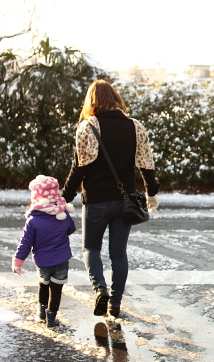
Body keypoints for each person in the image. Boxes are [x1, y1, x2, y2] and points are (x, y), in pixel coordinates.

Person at [62, 79, 160, 319]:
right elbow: (146, 163)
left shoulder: (88, 127)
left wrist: (66, 197)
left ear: (92, 101)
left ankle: (100, 289)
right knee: (119, 253)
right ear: (116, 98)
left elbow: (79, 167)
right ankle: (115, 304)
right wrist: (151, 192)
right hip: (124, 200)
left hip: (95, 201)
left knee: (90, 248)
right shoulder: (135, 126)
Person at [12, 175, 76, 328]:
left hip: (42, 261)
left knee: (43, 284)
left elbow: (25, 244)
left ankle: (41, 314)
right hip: (61, 259)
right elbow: (71, 229)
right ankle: (51, 319)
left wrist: (18, 262)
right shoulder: (63, 215)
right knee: (56, 289)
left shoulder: (33, 221)